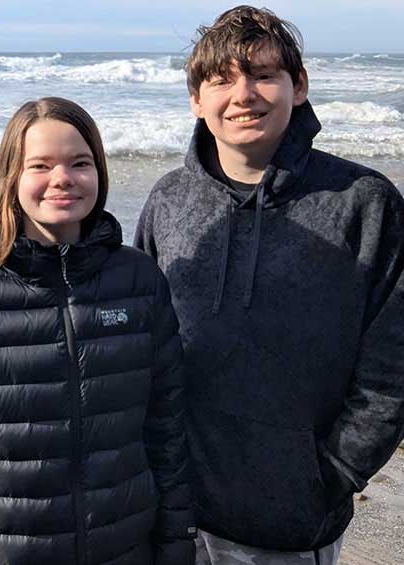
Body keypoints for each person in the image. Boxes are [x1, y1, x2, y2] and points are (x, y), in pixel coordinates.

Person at [134, 6, 404, 564]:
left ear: (298, 86)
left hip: (289, 520)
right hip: (171, 510)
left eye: (263, 74)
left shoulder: (364, 203)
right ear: (196, 100)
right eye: (221, 79)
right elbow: (141, 340)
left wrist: (333, 473)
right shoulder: (168, 201)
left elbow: (393, 365)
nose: (244, 94)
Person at [0, 97, 195, 565]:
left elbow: (167, 436)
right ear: (11, 177)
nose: (63, 179)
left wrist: (177, 549)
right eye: (41, 165)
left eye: (80, 163)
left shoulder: (140, 282)